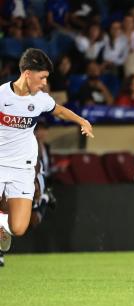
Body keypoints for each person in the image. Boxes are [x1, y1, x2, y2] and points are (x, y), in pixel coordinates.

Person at [0, 48, 94, 253]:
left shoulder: (40, 98)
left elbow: (59, 110)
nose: (44, 83)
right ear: (27, 74)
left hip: (23, 169)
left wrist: (82, 121)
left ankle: (3, 226)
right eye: (42, 77)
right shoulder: (2, 95)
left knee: (19, 227)